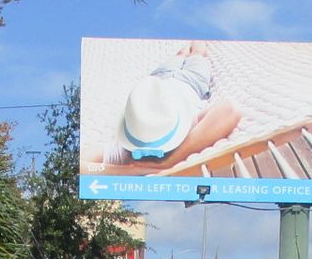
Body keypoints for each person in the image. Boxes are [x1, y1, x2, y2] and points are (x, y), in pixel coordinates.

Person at [83, 42, 241, 174]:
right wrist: (134, 170)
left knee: (187, 53)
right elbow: (230, 110)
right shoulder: (184, 130)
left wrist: (162, 164)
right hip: (192, 80)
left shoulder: (126, 153)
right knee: (195, 54)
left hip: (157, 81)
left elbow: (82, 163)